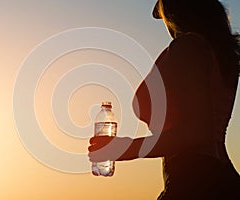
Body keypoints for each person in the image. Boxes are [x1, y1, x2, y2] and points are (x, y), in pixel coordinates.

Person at [88, 0, 240, 199]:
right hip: (212, 178)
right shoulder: (218, 54)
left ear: (174, 13)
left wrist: (127, 147)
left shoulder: (188, 46)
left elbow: (197, 134)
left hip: (197, 182)